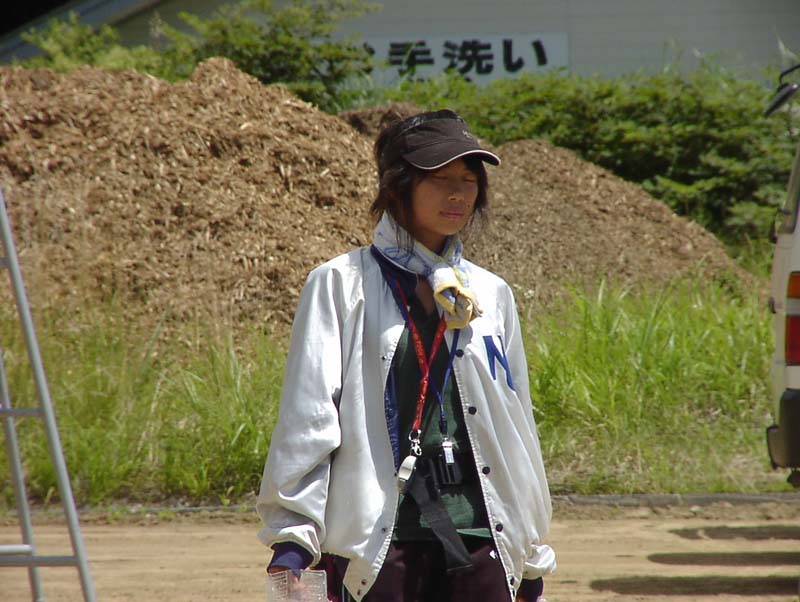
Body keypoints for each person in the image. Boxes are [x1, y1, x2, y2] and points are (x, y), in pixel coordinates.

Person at [256, 109, 556, 602]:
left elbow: (516, 426)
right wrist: (292, 539)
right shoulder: (340, 285)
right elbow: (308, 418)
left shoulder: (491, 293)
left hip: (483, 539)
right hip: (380, 547)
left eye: (468, 180)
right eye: (439, 179)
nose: (458, 194)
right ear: (399, 186)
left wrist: (530, 553)